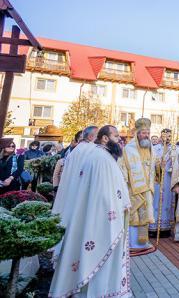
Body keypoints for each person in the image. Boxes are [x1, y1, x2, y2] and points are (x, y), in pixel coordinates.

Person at [49, 125, 131, 298]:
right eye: (116, 136)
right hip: (103, 219)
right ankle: (100, 292)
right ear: (105, 138)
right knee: (101, 259)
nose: (120, 140)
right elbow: (102, 193)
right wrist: (119, 208)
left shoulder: (102, 155)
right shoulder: (101, 158)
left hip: (98, 215)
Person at [120, 118, 156, 252]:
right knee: (134, 216)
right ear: (137, 134)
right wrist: (125, 183)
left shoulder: (150, 148)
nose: (146, 135)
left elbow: (152, 166)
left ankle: (142, 242)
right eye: (143, 133)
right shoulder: (128, 149)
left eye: (148, 132)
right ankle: (131, 243)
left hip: (147, 188)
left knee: (145, 216)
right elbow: (122, 168)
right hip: (133, 188)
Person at [52, 126, 98, 226]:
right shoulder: (92, 149)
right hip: (83, 190)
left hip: (71, 188)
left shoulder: (76, 150)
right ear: (90, 137)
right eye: (97, 135)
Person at [150, 128, 176, 235]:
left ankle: (166, 228)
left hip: (169, 179)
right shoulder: (155, 148)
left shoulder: (175, 149)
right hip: (157, 180)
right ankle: (153, 227)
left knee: (167, 203)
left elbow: (178, 164)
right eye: (165, 136)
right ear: (161, 136)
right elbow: (151, 162)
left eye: (169, 136)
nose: (167, 138)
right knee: (156, 202)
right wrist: (159, 165)